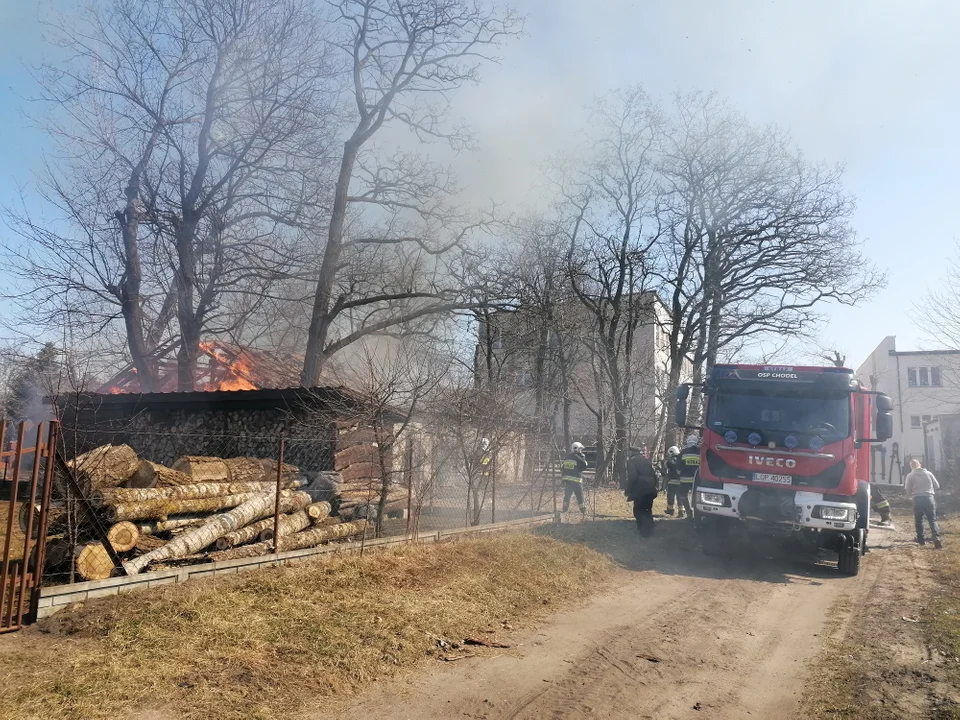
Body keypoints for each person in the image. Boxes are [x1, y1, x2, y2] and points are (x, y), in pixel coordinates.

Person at [905, 458, 943, 548]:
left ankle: (921, 540)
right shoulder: (928, 473)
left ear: (911, 467)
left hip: (917, 499)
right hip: (929, 498)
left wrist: (913, 491)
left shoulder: (910, 476)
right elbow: (937, 486)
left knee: (919, 520)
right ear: (920, 464)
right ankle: (936, 537)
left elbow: (908, 490)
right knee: (932, 519)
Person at [625, 446, 660, 536]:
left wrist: (628, 489)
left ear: (632, 452)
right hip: (650, 489)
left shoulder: (631, 461)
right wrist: (654, 485)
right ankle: (649, 527)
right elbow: (654, 476)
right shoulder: (646, 460)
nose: (628, 454)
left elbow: (632, 477)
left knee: (638, 509)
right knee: (647, 509)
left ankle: (643, 530)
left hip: (640, 489)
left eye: (629, 452)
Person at [560, 442, 589, 517]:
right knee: (580, 496)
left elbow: (563, 468)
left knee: (567, 496)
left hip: (568, 481)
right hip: (576, 481)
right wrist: (583, 459)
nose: (581, 451)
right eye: (580, 449)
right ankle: (583, 511)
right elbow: (584, 466)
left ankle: (564, 509)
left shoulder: (567, 457)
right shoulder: (578, 457)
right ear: (577, 449)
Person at [675, 434, 699, 520]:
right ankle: (697, 514)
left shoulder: (683, 452)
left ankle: (689, 513)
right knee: (697, 498)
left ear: (687, 441)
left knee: (683, 496)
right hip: (697, 481)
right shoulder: (700, 451)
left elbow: (678, 467)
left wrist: (680, 473)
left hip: (684, 480)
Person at [664, 446, 682, 517]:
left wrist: (667, 459)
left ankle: (670, 510)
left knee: (670, 497)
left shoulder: (671, 459)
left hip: (672, 481)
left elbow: (666, 465)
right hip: (680, 482)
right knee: (680, 497)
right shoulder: (681, 458)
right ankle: (681, 511)